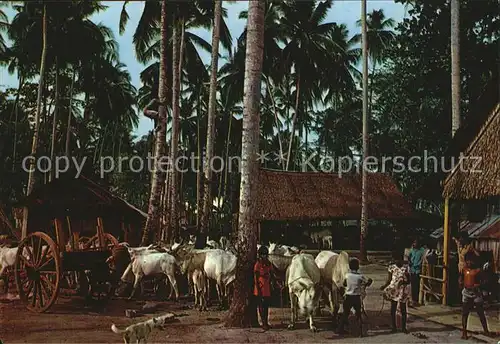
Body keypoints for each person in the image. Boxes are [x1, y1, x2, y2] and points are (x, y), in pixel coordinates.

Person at [337, 258, 373, 337]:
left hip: (348, 297)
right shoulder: (360, 276)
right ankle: (360, 332)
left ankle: (340, 329)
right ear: (358, 267)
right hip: (356, 297)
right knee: (358, 314)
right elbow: (367, 283)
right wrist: (369, 282)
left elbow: (344, 284)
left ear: (349, 267)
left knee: (345, 313)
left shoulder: (347, 275)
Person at [460, 252, 490, 339]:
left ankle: (486, 330)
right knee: (465, 313)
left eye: (470, 261)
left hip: (476, 293)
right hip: (466, 292)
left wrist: (479, 285)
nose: (469, 262)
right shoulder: (464, 270)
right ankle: (464, 332)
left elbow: (485, 281)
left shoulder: (478, 271)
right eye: (467, 261)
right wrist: (461, 282)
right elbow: (460, 278)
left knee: (480, 312)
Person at [380, 251, 411, 334]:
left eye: (399, 260)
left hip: (402, 290)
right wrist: (384, 286)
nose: (398, 261)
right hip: (393, 290)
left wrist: (403, 282)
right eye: (396, 259)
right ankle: (394, 327)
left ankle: (403, 327)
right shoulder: (391, 268)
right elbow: (389, 280)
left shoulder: (405, 269)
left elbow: (408, 281)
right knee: (393, 309)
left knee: (403, 309)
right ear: (394, 260)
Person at [253, 246, 278, 330]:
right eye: (262, 254)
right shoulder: (258, 264)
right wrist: (258, 288)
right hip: (260, 287)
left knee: (266, 306)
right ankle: (263, 323)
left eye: (265, 254)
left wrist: (276, 282)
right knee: (261, 306)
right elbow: (256, 277)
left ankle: (266, 322)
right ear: (260, 255)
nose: (264, 256)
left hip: (267, 287)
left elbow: (272, 274)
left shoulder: (268, 263)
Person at [408, 239, 425, 306]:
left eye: (416, 243)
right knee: (412, 285)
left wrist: (418, 265)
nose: (415, 244)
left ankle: (416, 299)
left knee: (417, 285)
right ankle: (412, 299)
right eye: (414, 242)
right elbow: (409, 257)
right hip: (412, 269)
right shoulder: (412, 250)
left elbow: (422, 259)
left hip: (418, 270)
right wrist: (409, 262)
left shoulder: (422, 250)